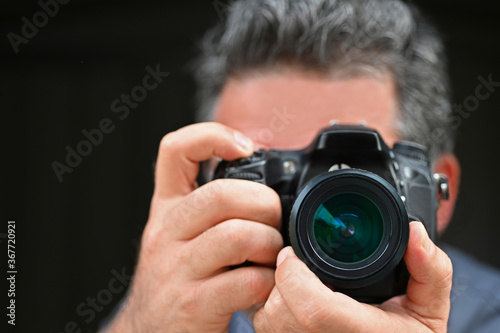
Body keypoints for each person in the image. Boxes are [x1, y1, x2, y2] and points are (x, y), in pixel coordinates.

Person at [103, 0, 500, 332]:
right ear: (206, 183)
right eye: (271, 173)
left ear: (437, 195)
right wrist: (143, 323)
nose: (313, 210)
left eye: (351, 180)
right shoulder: (178, 306)